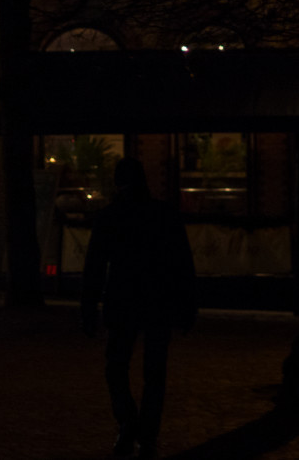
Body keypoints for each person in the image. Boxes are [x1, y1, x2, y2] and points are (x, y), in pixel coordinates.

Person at [81, 157, 197, 460]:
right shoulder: (163, 214)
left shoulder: (110, 216)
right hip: (158, 300)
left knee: (116, 367)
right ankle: (147, 435)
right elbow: (182, 263)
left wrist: (89, 307)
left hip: (122, 300)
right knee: (154, 373)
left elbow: (94, 266)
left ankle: (128, 423)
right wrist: (187, 305)